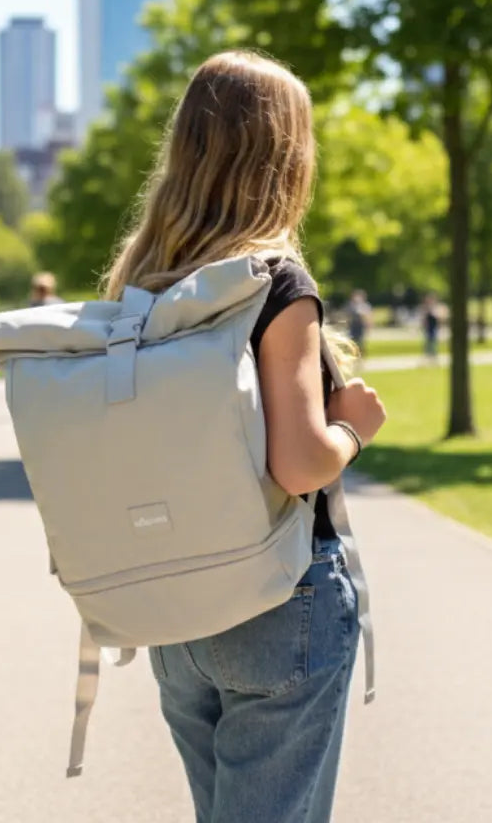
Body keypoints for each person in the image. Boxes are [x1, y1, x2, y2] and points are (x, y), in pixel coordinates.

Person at [103, 51, 387, 823]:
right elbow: (298, 464)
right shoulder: (275, 284)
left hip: (178, 603)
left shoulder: (143, 286)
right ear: (286, 158)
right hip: (277, 594)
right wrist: (352, 428)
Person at [346, 289, 373, 356]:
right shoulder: (351, 305)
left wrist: (368, 326)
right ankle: (354, 354)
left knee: (361, 342)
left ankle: (361, 355)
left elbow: (367, 317)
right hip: (353, 326)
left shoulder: (364, 306)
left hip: (360, 326)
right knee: (352, 341)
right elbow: (348, 317)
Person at [423, 293, 441, 360]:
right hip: (429, 327)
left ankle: (433, 354)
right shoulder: (427, 308)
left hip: (433, 327)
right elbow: (425, 319)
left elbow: (438, 318)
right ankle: (428, 354)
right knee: (429, 341)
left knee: (433, 341)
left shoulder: (435, 308)